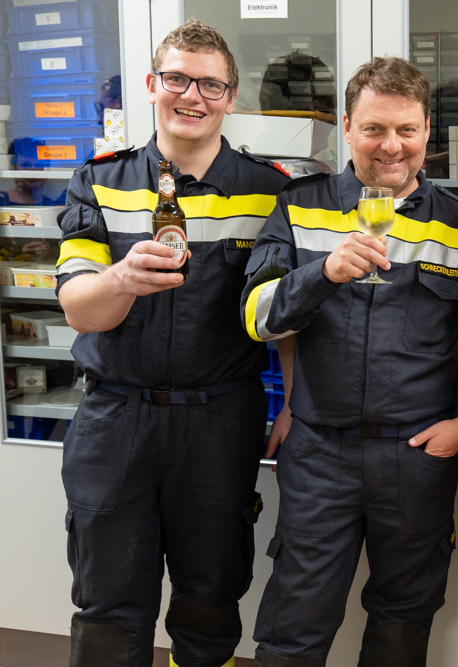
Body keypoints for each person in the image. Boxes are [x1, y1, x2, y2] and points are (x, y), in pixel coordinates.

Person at [241, 56, 458, 667]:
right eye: (375, 128)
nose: (392, 146)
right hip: (319, 453)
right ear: (348, 127)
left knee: (403, 621)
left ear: (427, 131)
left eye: (407, 130)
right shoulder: (299, 206)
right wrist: (322, 273)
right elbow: (256, 317)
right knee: (293, 624)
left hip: (416, 457)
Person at [55, 20, 289, 667]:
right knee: (106, 604)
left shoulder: (269, 190)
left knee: (210, 600)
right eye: (178, 79)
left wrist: (294, 403)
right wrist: (121, 279)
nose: (192, 95)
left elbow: (289, 317)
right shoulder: (99, 181)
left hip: (220, 421)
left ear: (230, 97)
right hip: (115, 418)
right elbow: (77, 308)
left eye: (210, 84)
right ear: (152, 85)